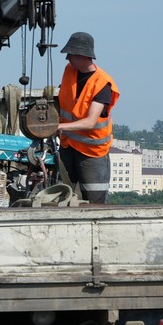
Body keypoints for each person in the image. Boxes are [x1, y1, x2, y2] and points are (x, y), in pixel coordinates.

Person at [55, 31, 119, 204]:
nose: (67, 58)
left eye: (70, 54)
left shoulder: (102, 84)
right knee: (62, 195)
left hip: (92, 153)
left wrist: (59, 127)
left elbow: (91, 122)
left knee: (94, 200)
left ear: (82, 56)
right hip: (68, 147)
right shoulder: (69, 71)